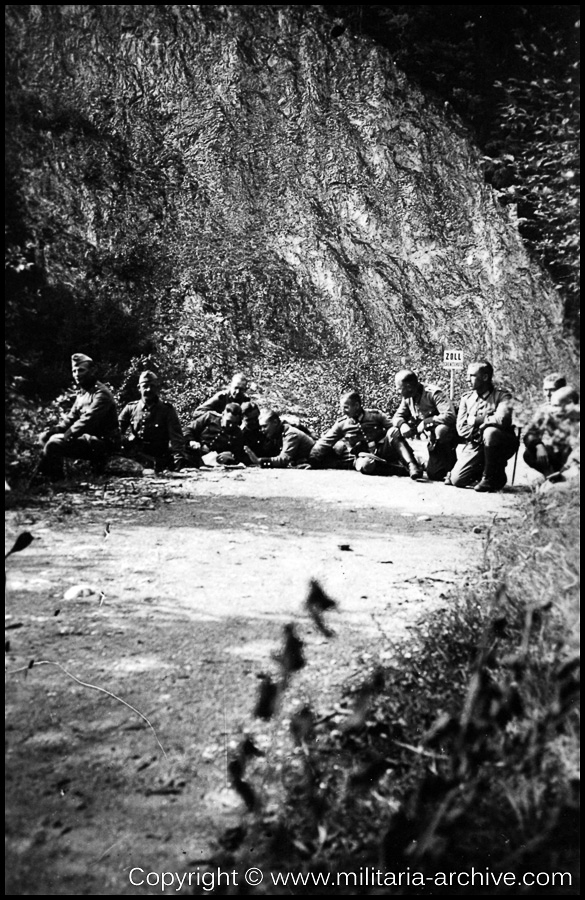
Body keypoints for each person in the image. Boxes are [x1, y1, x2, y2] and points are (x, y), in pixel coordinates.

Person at [38, 353, 121, 480]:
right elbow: (71, 418)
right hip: (88, 440)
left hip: (103, 443)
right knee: (46, 437)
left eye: (81, 370)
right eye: (74, 371)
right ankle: (49, 477)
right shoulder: (83, 393)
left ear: (92, 371)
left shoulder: (101, 394)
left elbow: (88, 420)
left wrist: (66, 435)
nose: (77, 374)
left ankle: (53, 481)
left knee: (54, 444)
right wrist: (53, 431)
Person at [309, 390, 423, 478]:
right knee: (366, 465)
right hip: (362, 457)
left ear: (357, 406)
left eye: (346, 407)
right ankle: (400, 470)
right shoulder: (342, 424)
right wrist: (310, 459)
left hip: (382, 451)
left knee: (393, 431)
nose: (343, 411)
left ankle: (412, 465)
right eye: (342, 408)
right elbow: (324, 442)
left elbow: (395, 431)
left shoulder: (375, 415)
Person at [446, 360, 519, 492]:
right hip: (476, 443)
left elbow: (502, 419)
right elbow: (461, 428)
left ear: (485, 377)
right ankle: (484, 472)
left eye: (472, 376)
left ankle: (490, 477)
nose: (467, 379)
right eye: (467, 375)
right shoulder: (466, 398)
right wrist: (482, 428)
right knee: (457, 480)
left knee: (490, 432)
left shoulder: (502, 396)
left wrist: (477, 420)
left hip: (500, 443)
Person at [390, 370, 457, 481]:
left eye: (398, 388)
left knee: (436, 474)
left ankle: (451, 466)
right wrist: (402, 425)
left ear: (409, 387)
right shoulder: (408, 398)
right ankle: (413, 464)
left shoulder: (434, 393)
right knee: (394, 430)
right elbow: (397, 417)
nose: (397, 391)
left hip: (443, 438)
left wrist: (426, 422)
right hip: (429, 440)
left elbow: (450, 415)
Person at [118, 370, 188, 472]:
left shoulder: (166, 410)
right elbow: (117, 431)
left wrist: (179, 464)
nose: (149, 389)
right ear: (139, 388)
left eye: (152, 386)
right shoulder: (130, 408)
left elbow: (176, 440)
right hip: (135, 459)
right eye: (145, 386)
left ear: (157, 388)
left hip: (159, 460)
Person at [523, 383, 580, 480]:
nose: (552, 410)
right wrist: (539, 445)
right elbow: (529, 433)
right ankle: (552, 478)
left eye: (556, 406)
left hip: (575, 463)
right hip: (564, 459)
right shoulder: (549, 413)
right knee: (530, 453)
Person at [244, 409, 315, 468]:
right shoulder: (277, 434)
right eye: (261, 427)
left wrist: (260, 461)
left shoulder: (291, 434)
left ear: (275, 422)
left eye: (265, 426)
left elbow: (284, 459)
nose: (262, 430)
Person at [184, 402, 249, 466]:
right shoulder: (209, 417)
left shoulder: (237, 433)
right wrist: (191, 441)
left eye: (234, 423)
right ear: (223, 414)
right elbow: (188, 429)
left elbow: (240, 454)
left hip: (215, 464)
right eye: (228, 422)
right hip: (194, 455)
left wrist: (231, 455)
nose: (231, 425)